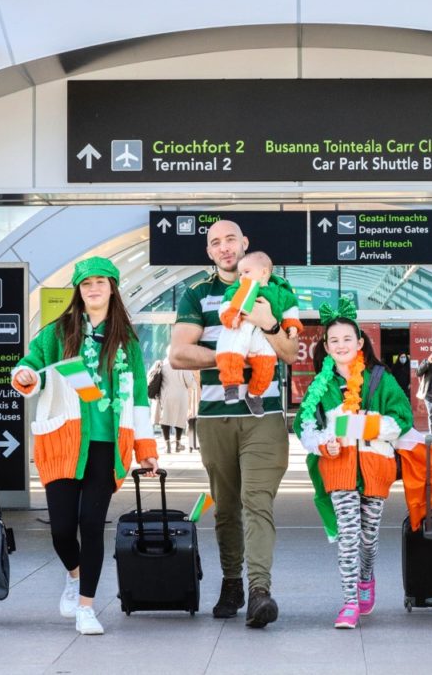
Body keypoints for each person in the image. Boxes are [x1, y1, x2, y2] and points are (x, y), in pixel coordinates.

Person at [10, 256, 158, 636]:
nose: (94, 288)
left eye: (101, 282)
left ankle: (87, 607)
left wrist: (146, 450)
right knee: (61, 529)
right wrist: (24, 376)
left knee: (91, 524)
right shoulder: (56, 333)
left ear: (112, 288)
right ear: (79, 289)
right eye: (87, 282)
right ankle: (74, 576)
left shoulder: (126, 340)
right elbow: (31, 369)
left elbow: (139, 398)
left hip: (108, 446)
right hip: (63, 441)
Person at [171, 219, 298, 628]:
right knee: (226, 508)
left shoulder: (278, 291)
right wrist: (229, 358)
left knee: (256, 501)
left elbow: (292, 352)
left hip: (264, 417)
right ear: (209, 252)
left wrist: (268, 324)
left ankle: (260, 590)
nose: (225, 248)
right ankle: (231, 581)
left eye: (231, 240)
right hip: (215, 415)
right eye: (215, 243)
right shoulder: (197, 294)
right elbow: (178, 354)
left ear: (245, 244)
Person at [294, 300, 416, 629]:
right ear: (326, 347)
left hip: (376, 468)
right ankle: (349, 602)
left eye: (347, 339)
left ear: (360, 342)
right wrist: (323, 442)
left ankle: (365, 578)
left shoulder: (381, 380)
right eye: (333, 341)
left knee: (368, 538)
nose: (341, 345)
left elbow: (403, 419)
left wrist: (367, 425)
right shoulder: (321, 387)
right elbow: (303, 425)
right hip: (339, 468)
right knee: (348, 535)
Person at [216, 251, 302, 416]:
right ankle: (230, 384)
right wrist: (230, 318)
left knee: (266, 366)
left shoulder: (279, 291)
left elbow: (290, 308)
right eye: (240, 274)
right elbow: (226, 306)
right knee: (230, 351)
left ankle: (254, 394)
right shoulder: (236, 289)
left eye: (246, 272)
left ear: (264, 272)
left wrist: (291, 325)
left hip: (263, 337)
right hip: (240, 329)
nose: (241, 277)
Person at [153, 347, 197, 453]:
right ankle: (178, 444)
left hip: (165, 395)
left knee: (165, 420)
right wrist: (195, 385)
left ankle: (167, 445)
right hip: (180, 396)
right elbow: (190, 382)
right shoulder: (182, 365)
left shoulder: (162, 364)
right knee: (179, 420)